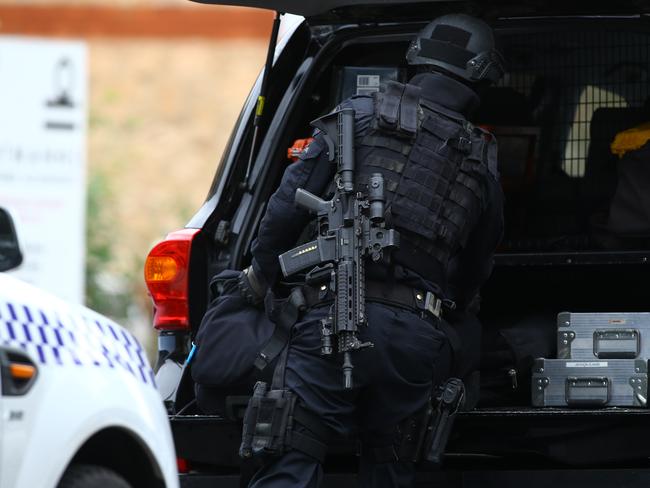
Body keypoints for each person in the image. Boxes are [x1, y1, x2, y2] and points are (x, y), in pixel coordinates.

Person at [239, 13, 505, 488]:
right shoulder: (481, 160)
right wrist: (453, 315)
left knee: (288, 461)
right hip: (414, 338)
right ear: (481, 75)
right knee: (391, 469)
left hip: (332, 318)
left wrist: (260, 275)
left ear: (415, 57)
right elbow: (476, 267)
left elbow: (283, 208)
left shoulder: (354, 115)